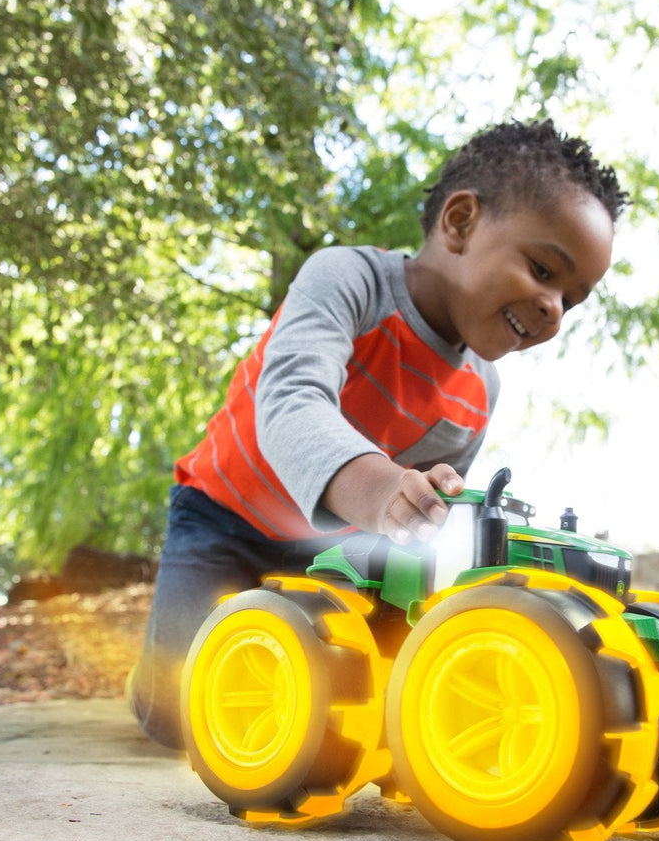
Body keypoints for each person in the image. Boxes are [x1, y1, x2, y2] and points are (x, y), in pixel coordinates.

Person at [128, 119, 630, 749]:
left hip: (327, 549)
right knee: (179, 715)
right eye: (542, 269)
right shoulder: (348, 280)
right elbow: (289, 402)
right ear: (460, 222)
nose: (554, 307)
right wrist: (380, 488)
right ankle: (152, 677)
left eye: (572, 300)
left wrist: (430, 508)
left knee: (337, 708)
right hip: (221, 515)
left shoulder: (482, 390)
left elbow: (422, 515)